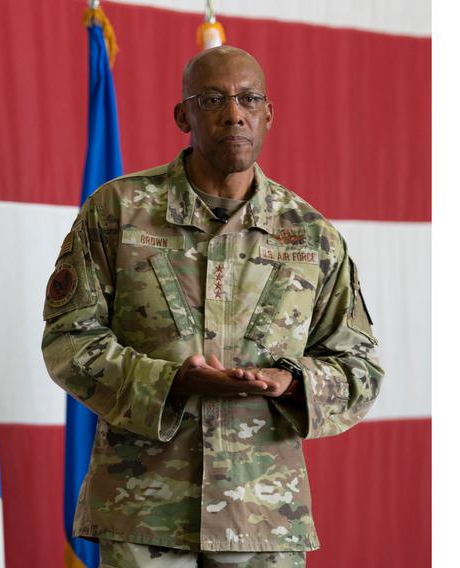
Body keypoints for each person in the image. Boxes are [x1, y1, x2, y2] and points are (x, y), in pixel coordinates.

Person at [41, 45, 383, 568]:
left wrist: (291, 382)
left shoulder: (311, 235)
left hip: (263, 519)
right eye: (212, 100)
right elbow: (69, 339)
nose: (234, 113)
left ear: (268, 114)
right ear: (184, 115)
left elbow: (359, 367)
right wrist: (170, 382)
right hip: (143, 514)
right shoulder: (118, 212)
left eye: (249, 99)